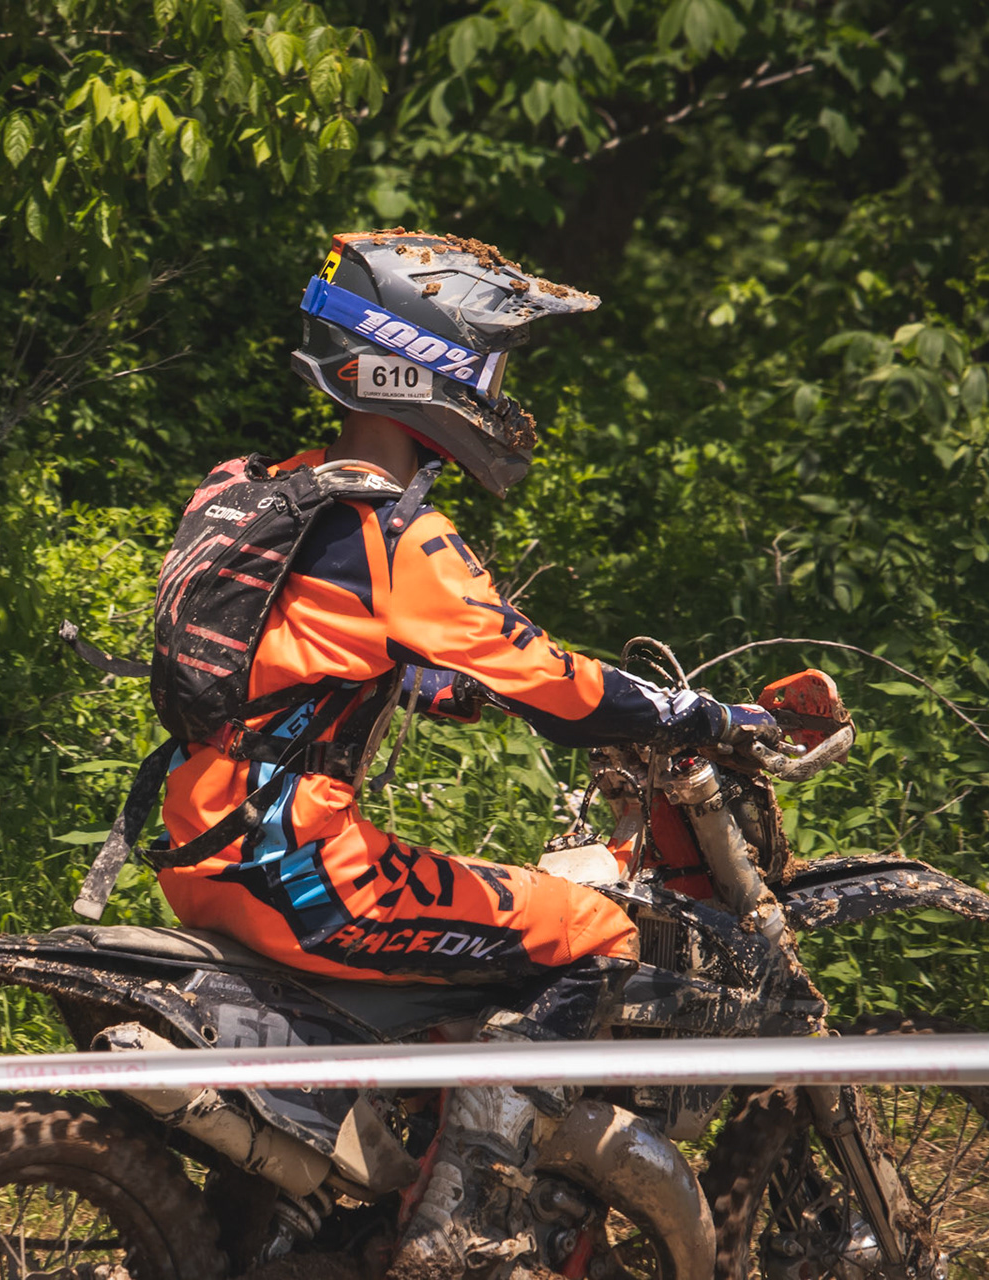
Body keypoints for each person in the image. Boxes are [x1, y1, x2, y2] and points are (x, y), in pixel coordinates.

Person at [144, 231, 778, 1280]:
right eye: (492, 367)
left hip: (199, 847)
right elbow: (563, 688)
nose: (500, 394)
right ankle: (465, 1221)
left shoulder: (257, 491)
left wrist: (436, 683)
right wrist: (700, 714)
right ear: (423, 365)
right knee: (597, 926)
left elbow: (286, 648)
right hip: (308, 876)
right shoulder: (403, 534)